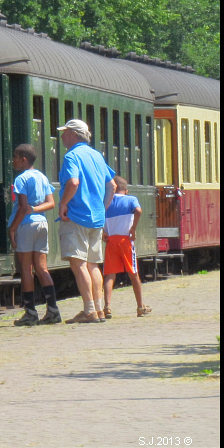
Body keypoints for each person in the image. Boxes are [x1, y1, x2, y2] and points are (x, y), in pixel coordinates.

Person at [57, 118, 116, 324]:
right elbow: (112, 186)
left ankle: (89, 310)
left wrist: (63, 204)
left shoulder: (71, 156)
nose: (62, 136)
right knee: (93, 265)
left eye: (65, 132)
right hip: (96, 219)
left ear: (74, 134)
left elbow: (73, 182)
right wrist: (102, 208)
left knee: (78, 263)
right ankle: (99, 309)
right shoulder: (96, 155)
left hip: (76, 217)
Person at [6, 144, 62, 326]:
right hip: (42, 224)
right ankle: (53, 310)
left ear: (24, 159)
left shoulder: (21, 179)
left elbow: (22, 207)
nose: (13, 160)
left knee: (26, 268)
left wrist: (12, 228)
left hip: (25, 225)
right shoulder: (42, 177)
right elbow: (51, 203)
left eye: (15, 157)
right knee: (41, 268)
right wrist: (36, 210)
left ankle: (30, 312)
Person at [102, 176, 152, 319]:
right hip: (125, 240)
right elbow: (138, 211)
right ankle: (140, 306)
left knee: (110, 274)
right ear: (126, 190)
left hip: (111, 240)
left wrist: (103, 230)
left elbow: (99, 216)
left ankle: (107, 306)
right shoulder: (131, 199)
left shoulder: (106, 202)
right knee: (133, 273)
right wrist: (133, 229)